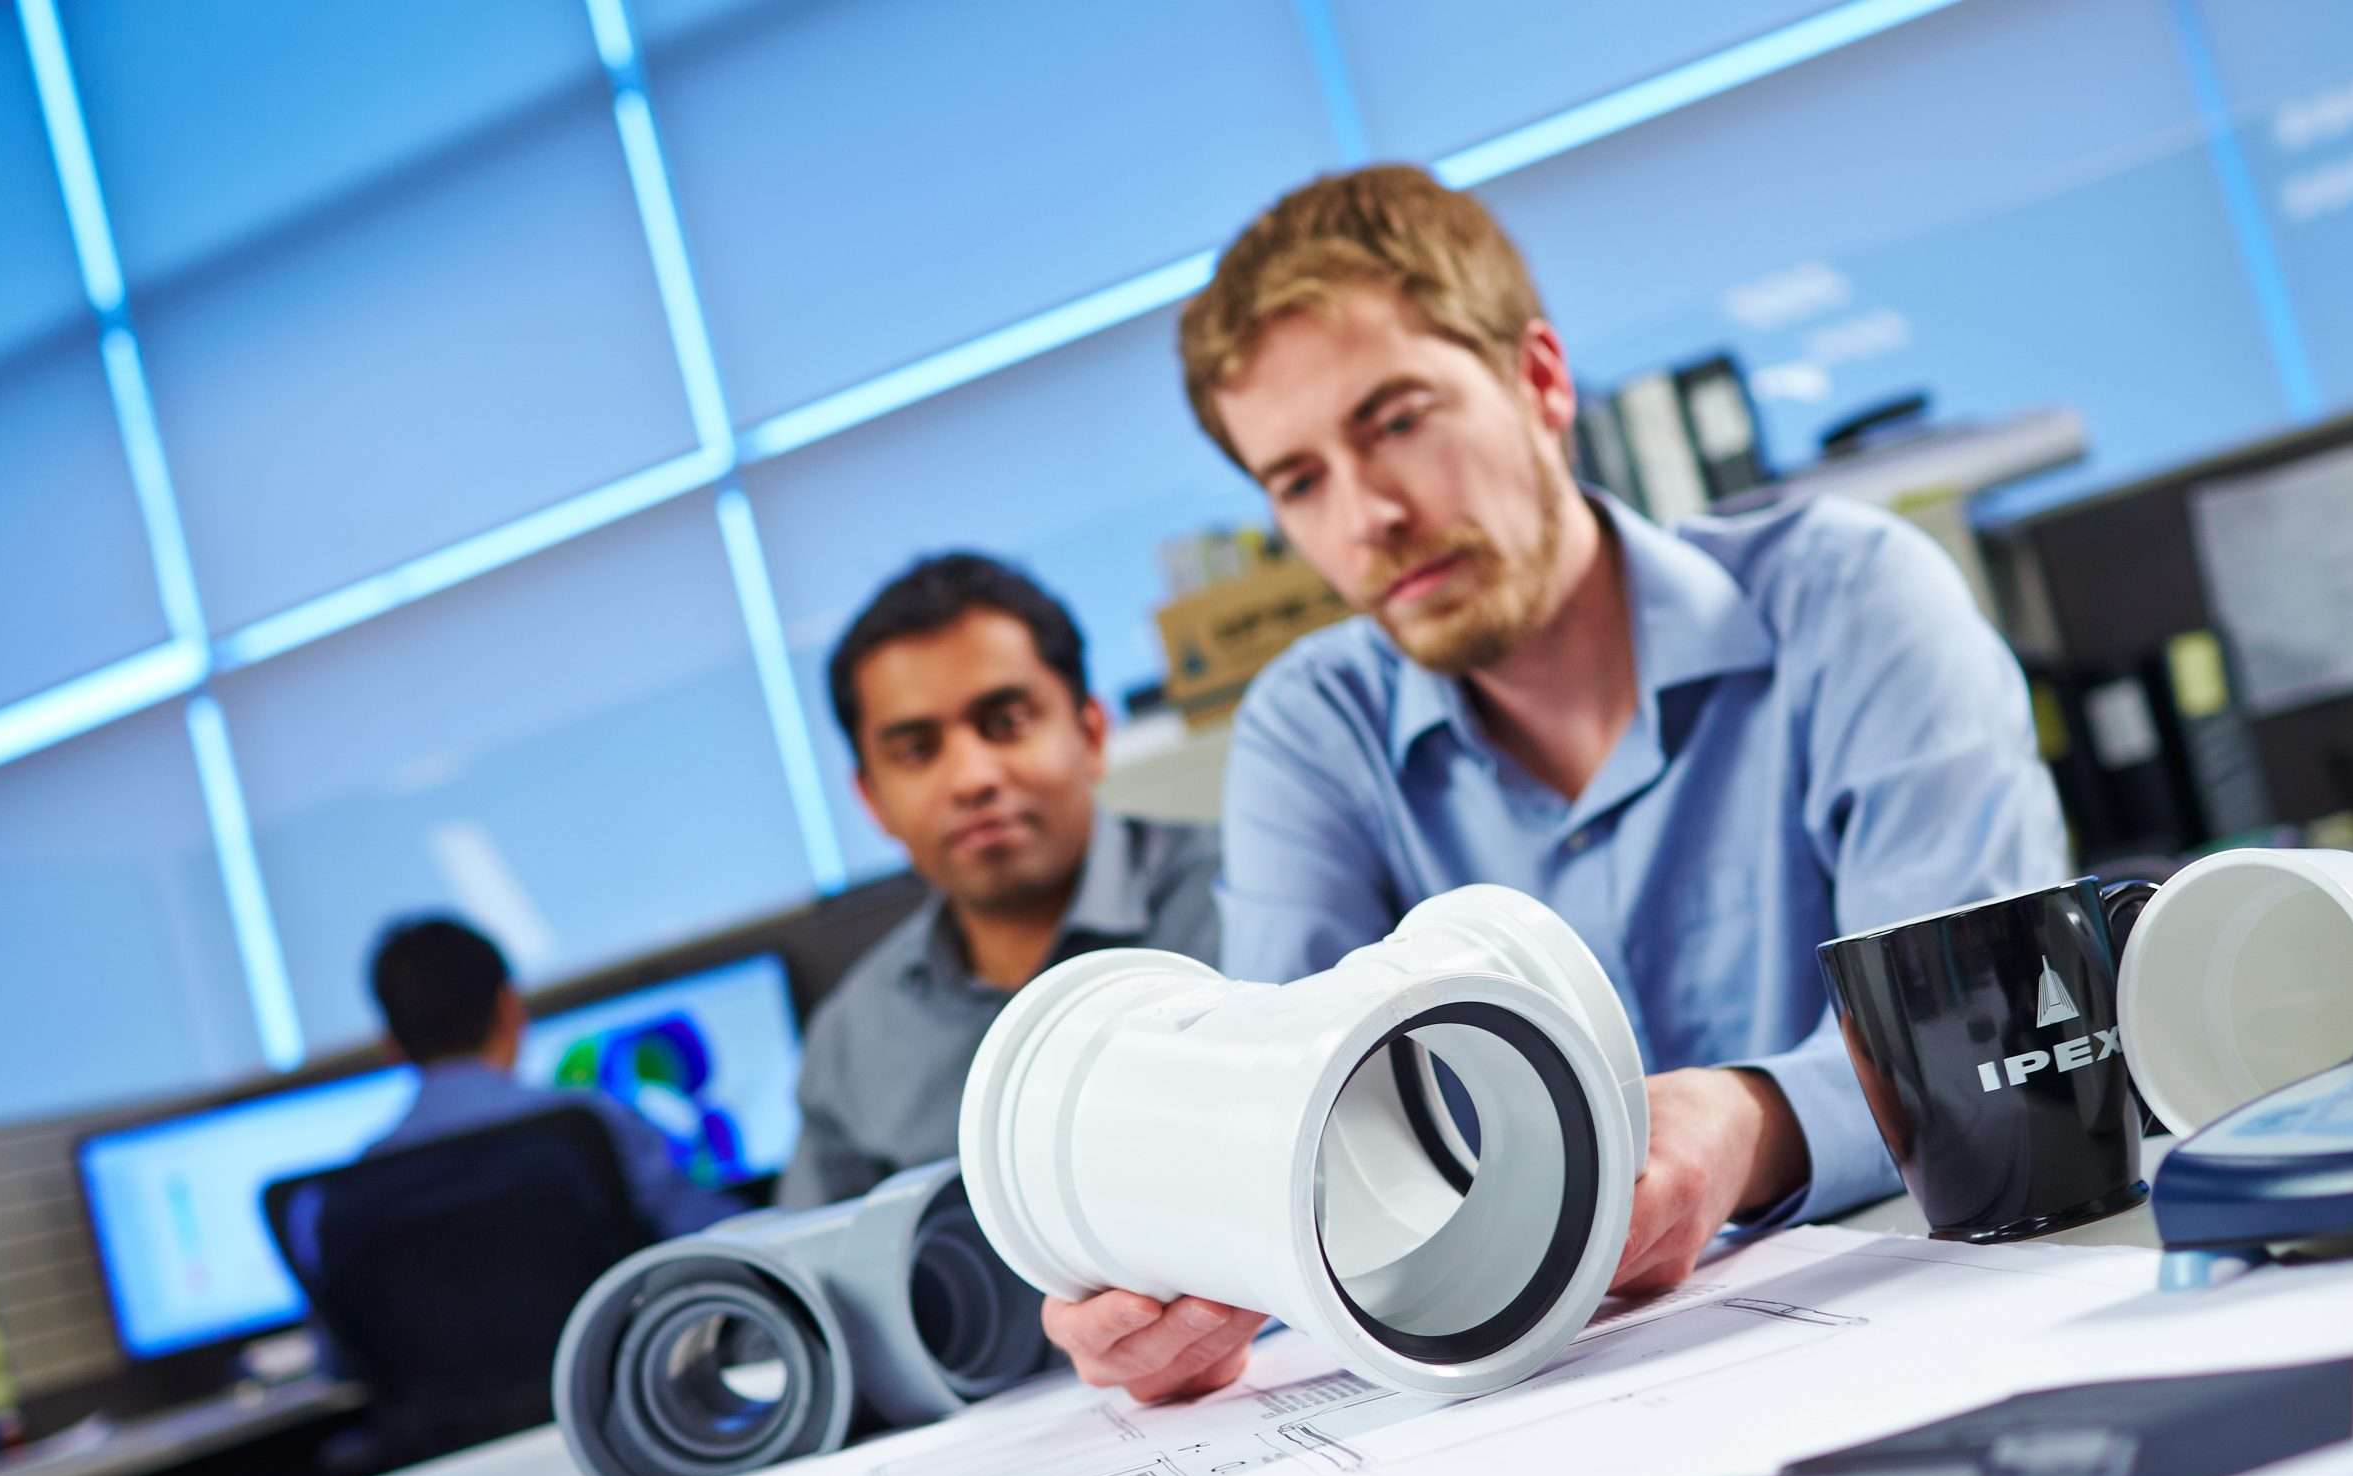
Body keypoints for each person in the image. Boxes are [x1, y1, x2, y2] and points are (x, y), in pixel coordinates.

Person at [1042, 164, 2068, 1402]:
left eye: (1397, 419)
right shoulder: (1318, 732)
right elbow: (1283, 1114)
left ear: (1539, 380)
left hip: (1922, 1342)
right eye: (1298, 480)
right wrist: (1177, 1266)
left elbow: (1994, 1032)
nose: (1366, 517)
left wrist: (1750, 1127)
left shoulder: (1851, 603)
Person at [779, 553, 1221, 1208]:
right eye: (917, 751)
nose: (972, 777)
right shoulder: (854, 1038)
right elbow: (811, 1283)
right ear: (872, 799)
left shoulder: (1252, 899)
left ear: (1091, 734)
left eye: (1006, 723)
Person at [359, 916, 734, 1239]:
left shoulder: (358, 1190)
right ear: (510, 1009)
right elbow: (720, 1238)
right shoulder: (588, 1125)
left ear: (392, 1047)